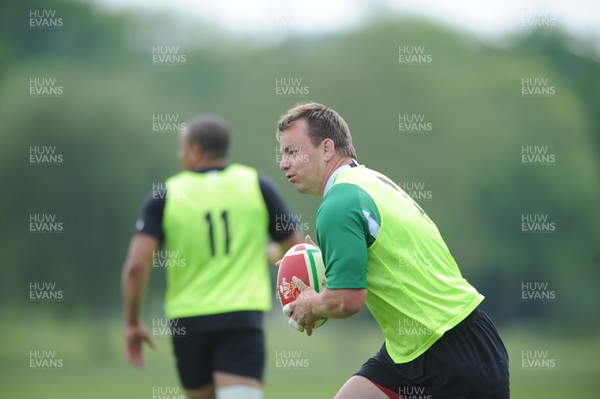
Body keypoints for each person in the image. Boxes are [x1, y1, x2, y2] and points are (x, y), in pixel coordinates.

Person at [276, 102, 509, 399]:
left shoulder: (338, 204)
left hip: (451, 349)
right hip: (414, 347)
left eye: (292, 151)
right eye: (282, 154)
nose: (283, 163)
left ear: (326, 148)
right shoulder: (368, 181)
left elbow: (347, 300)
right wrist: (324, 260)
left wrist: (311, 304)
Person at [121, 115, 300, 399]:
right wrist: (270, 255)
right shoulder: (257, 185)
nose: (180, 155)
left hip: (189, 322)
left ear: (195, 151)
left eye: (181, 148)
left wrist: (132, 322)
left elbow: (136, 266)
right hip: (242, 316)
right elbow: (297, 250)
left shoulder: (164, 195)